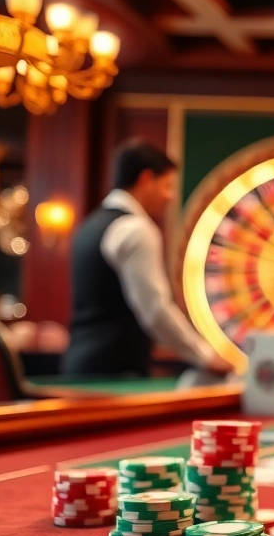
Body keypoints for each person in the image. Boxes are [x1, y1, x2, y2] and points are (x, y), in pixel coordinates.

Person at [62, 140, 235, 378]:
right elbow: (155, 310)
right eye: (167, 186)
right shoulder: (136, 229)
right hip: (115, 376)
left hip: (78, 368)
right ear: (145, 179)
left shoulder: (88, 226)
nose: (170, 197)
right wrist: (206, 356)